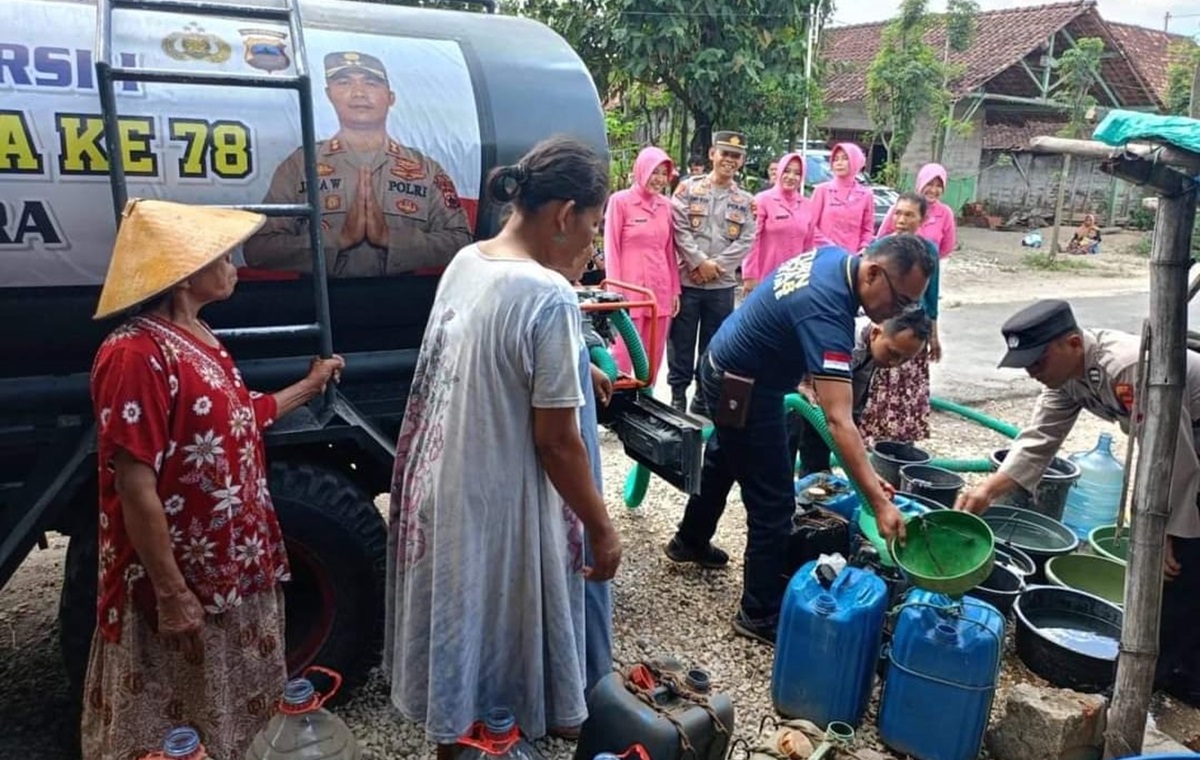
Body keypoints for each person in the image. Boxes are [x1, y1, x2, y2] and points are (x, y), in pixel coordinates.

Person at [383, 136, 622, 757]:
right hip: (496, 505)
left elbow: (491, 367)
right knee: (497, 658)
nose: (593, 246)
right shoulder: (547, 294)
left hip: (447, 488)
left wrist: (577, 368)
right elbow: (558, 443)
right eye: (593, 228)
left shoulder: (470, 261)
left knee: (464, 647)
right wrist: (603, 529)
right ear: (564, 214)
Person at [83, 199, 345, 760]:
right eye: (222, 257)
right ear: (182, 275)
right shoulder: (135, 354)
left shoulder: (198, 334)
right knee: (174, 720)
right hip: (185, 583)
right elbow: (135, 484)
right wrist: (173, 594)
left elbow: (241, 416)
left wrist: (310, 385)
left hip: (232, 568)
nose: (234, 266)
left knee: (231, 711)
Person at [663, 234, 934, 644]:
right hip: (745, 387)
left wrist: (865, 479)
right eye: (900, 301)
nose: (900, 311)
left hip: (730, 367)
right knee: (774, 503)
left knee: (724, 458)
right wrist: (877, 502)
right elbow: (838, 419)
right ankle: (758, 613)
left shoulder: (837, 260)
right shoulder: (828, 311)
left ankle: (690, 540)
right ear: (874, 273)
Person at [955, 299, 1200, 704]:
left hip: (1187, 444)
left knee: (1181, 566)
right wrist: (988, 489)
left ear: (1071, 343)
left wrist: (1167, 530)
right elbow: (1039, 438)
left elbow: (1171, 454)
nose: (1032, 373)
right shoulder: (1065, 377)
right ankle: (1175, 668)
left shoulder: (1126, 369)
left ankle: (1175, 676)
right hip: (1183, 449)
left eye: (1037, 361)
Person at [244, 51, 474, 277]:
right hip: (319, 305)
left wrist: (389, 238)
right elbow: (258, 249)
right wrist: (338, 239)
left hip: (404, 304)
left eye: (371, 83)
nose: (359, 93)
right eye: (344, 82)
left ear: (391, 97)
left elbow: (461, 241)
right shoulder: (300, 165)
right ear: (329, 94)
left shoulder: (425, 169)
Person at [668, 130, 758, 417]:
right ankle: (677, 395)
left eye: (735, 156)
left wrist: (714, 267)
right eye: (724, 154)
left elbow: (746, 239)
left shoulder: (745, 200)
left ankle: (702, 395)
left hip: (721, 285)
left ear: (741, 161)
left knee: (714, 343)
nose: (729, 160)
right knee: (681, 342)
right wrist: (698, 263)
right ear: (712, 155)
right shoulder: (687, 189)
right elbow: (679, 228)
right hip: (688, 280)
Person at [793, 310, 933, 476]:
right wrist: (804, 380)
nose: (895, 363)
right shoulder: (846, 339)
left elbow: (855, 390)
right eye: (893, 353)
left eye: (904, 359)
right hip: (796, 379)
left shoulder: (873, 348)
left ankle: (816, 478)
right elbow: (809, 345)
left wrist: (850, 420)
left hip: (831, 377)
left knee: (826, 436)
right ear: (875, 333)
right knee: (798, 430)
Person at [859, 192, 943, 444]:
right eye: (898, 213)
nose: (902, 219)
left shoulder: (928, 252)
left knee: (907, 385)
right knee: (879, 381)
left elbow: (932, 294)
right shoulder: (880, 248)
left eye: (909, 214)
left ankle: (901, 442)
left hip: (914, 330)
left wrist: (933, 334)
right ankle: (874, 438)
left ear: (922, 219)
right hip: (887, 329)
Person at [604, 146, 679, 381]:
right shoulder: (621, 202)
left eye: (663, 174)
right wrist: (615, 292)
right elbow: (611, 248)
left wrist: (675, 290)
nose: (658, 179)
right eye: (654, 172)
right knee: (623, 353)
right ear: (641, 170)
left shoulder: (666, 206)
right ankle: (616, 405)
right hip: (629, 291)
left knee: (653, 357)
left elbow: (670, 251)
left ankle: (648, 402)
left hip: (660, 291)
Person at [742, 152, 818, 295]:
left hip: (794, 281)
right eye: (787, 171)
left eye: (797, 173)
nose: (791, 177)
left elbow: (808, 247)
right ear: (779, 171)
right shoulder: (762, 200)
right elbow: (752, 240)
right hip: (765, 278)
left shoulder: (808, 206)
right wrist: (750, 275)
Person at [878, 163, 957, 260]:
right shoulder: (901, 207)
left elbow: (947, 247)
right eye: (929, 184)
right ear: (921, 183)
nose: (933, 190)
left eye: (939, 186)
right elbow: (882, 238)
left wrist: (929, 261)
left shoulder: (945, 213)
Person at [810, 143, 874, 254]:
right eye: (835, 159)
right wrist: (829, 246)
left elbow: (867, 229)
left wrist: (864, 247)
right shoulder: (822, 191)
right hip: (824, 254)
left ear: (855, 160)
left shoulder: (866, 195)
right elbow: (811, 225)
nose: (839, 163)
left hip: (852, 257)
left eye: (844, 158)